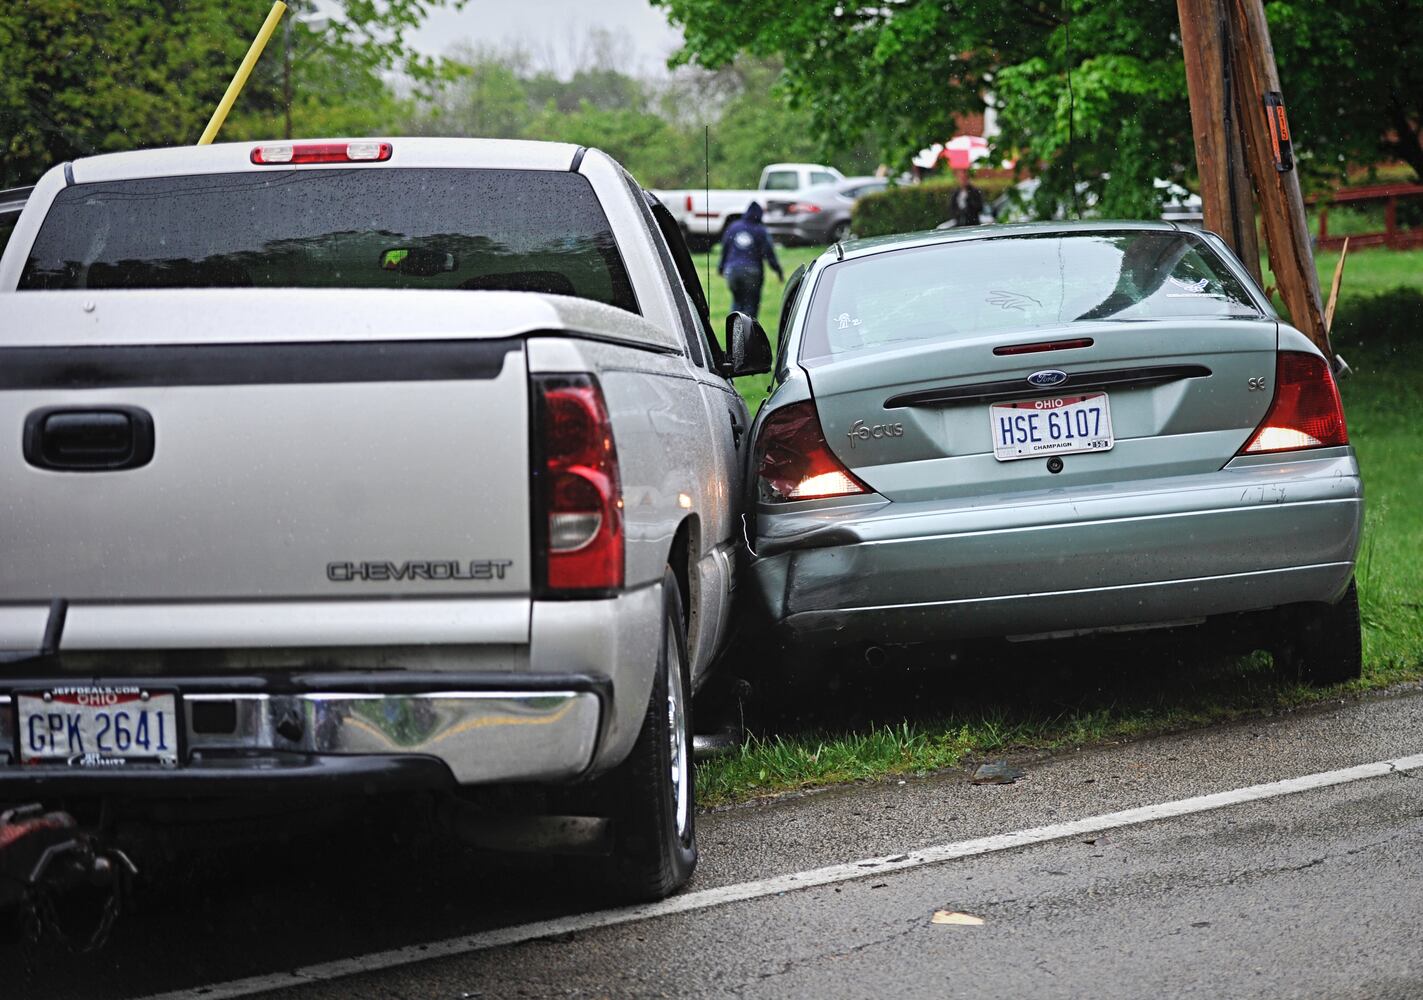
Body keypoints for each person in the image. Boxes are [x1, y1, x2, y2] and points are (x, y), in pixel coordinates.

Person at [717, 201, 783, 319]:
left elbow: (725, 249)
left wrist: (721, 267)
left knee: (737, 302)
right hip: (752, 272)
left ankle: (734, 331)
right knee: (750, 305)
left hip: (732, 271)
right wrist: (777, 270)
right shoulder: (760, 230)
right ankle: (749, 333)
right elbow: (769, 253)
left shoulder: (734, 227)